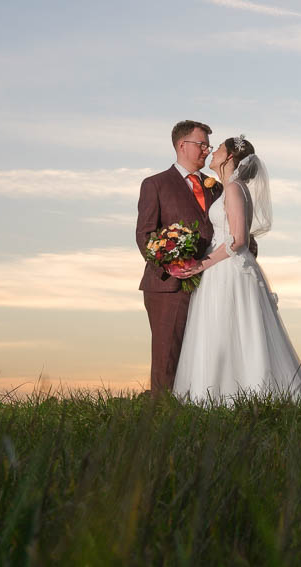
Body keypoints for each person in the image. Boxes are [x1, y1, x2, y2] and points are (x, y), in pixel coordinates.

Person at [172, 135, 301, 404]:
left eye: (218, 148)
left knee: (231, 330)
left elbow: (238, 240)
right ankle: (219, 396)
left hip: (229, 270)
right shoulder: (231, 188)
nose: (212, 151)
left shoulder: (233, 189)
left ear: (229, 157)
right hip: (221, 268)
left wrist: (201, 264)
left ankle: (236, 396)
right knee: (222, 331)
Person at [133, 120, 219, 394]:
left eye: (208, 146)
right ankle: (161, 412)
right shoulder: (155, 184)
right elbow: (145, 234)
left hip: (212, 283)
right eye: (202, 144)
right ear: (182, 145)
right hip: (169, 286)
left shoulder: (217, 188)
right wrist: (172, 264)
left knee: (206, 356)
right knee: (168, 358)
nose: (206, 150)